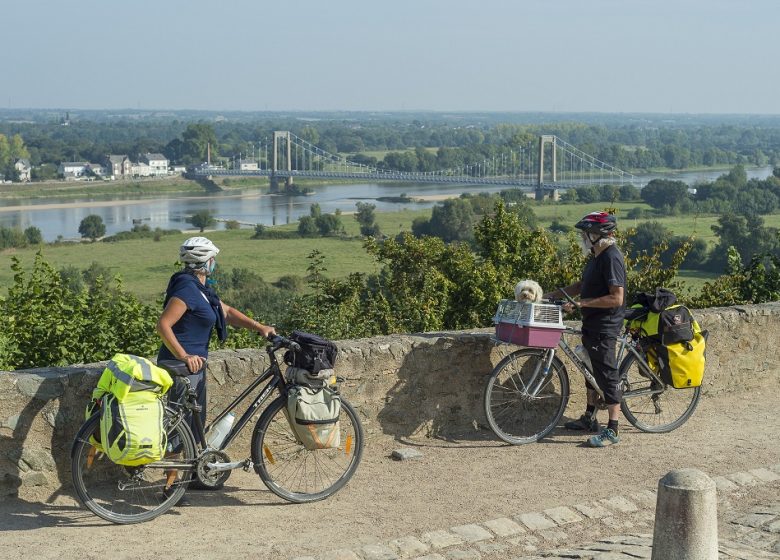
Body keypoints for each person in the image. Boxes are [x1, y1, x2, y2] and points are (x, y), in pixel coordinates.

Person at [156, 236, 275, 492]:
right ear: (205, 262)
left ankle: (192, 474)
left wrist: (260, 327)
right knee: (181, 425)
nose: (215, 264)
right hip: (182, 367)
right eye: (213, 260)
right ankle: (170, 487)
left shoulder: (201, 290)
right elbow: (163, 324)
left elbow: (226, 311)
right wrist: (183, 356)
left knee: (192, 421)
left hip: (194, 366)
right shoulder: (186, 290)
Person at [544, 211, 626, 447]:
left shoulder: (611, 257)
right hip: (592, 321)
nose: (582, 237)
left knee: (607, 374)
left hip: (606, 324)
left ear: (595, 234)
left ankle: (613, 430)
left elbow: (616, 298)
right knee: (589, 370)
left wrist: (581, 303)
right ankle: (590, 417)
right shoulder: (596, 256)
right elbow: (582, 285)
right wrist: (554, 295)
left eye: (584, 234)